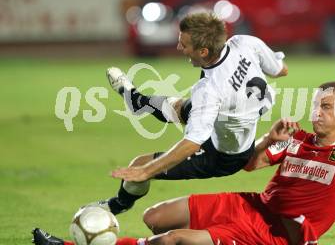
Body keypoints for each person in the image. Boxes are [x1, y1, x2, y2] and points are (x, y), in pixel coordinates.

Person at [33, 81, 335, 245]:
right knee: (154, 216)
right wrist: (269, 138)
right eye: (315, 106)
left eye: (326, 107)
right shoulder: (296, 138)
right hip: (253, 205)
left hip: (275, 235)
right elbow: (251, 164)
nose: (317, 113)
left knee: (172, 240)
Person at [98, 12, 288, 215]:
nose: (180, 48)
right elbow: (281, 70)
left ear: (204, 51)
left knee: (139, 164)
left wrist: (145, 171)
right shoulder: (245, 43)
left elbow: (192, 143)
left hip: (223, 156)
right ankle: (137, 101)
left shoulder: (209, 90)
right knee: (180, 108)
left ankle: (115, 207)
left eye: (184, 45)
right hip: (227, 119)